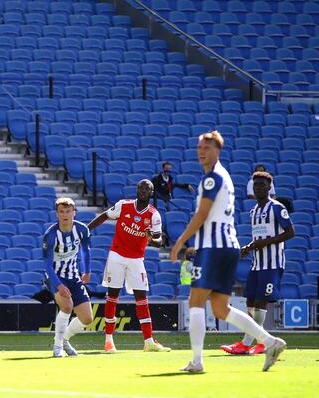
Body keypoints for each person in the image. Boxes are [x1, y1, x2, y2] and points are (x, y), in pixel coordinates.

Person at [171, 131, 286, 373]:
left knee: (196, 301)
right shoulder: (224, 177)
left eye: (208, 147)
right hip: (227, 246)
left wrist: (181, 241)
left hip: (214, 248)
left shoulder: (212, 178)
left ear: (218, 151)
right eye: (200, 147)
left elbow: (202, 215)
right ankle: (270, 342)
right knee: (221, 309)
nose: (202, 151)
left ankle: (197, 361)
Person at [87, 179, 171, 354]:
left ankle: (148, 341)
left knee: (142, 298)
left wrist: (151, 240)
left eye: (147, 189)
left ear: (151, 193)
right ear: (137, 190)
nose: (143, 191)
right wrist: (86, 229)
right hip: (116, 256)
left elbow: (159, 240)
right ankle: (108, 341)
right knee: (113, 297)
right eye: (141, 188)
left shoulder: (154, 215)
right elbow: (104, 215)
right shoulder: (123, 206)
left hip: (136, 260)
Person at [221, 171, 294, 356]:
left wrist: (265, 243)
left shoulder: (277, 208)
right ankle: (261, 341)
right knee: (251, 301)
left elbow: (290, 232)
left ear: (270, 187)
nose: (258, 188)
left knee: (261, 301)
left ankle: (248, 343)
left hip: (272, 263)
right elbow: (259, 237)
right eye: (256, 185)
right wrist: (250, 246)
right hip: (257, 263)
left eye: (262, 185)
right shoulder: (253, 211)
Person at [40, 197, 94, 357]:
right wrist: (59, 285)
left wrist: (87, 271)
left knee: (87, 319)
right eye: (62, 212)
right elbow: (48, 265)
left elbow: (86, 251)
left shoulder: (82, 230)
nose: (65, 215)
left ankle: (65, 339)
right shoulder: (50, 235)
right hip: (54, 276)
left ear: (74, 213)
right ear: (57, 214)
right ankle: (57, 348)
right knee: (67, 306)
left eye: (68, 211)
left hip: (73, 275)